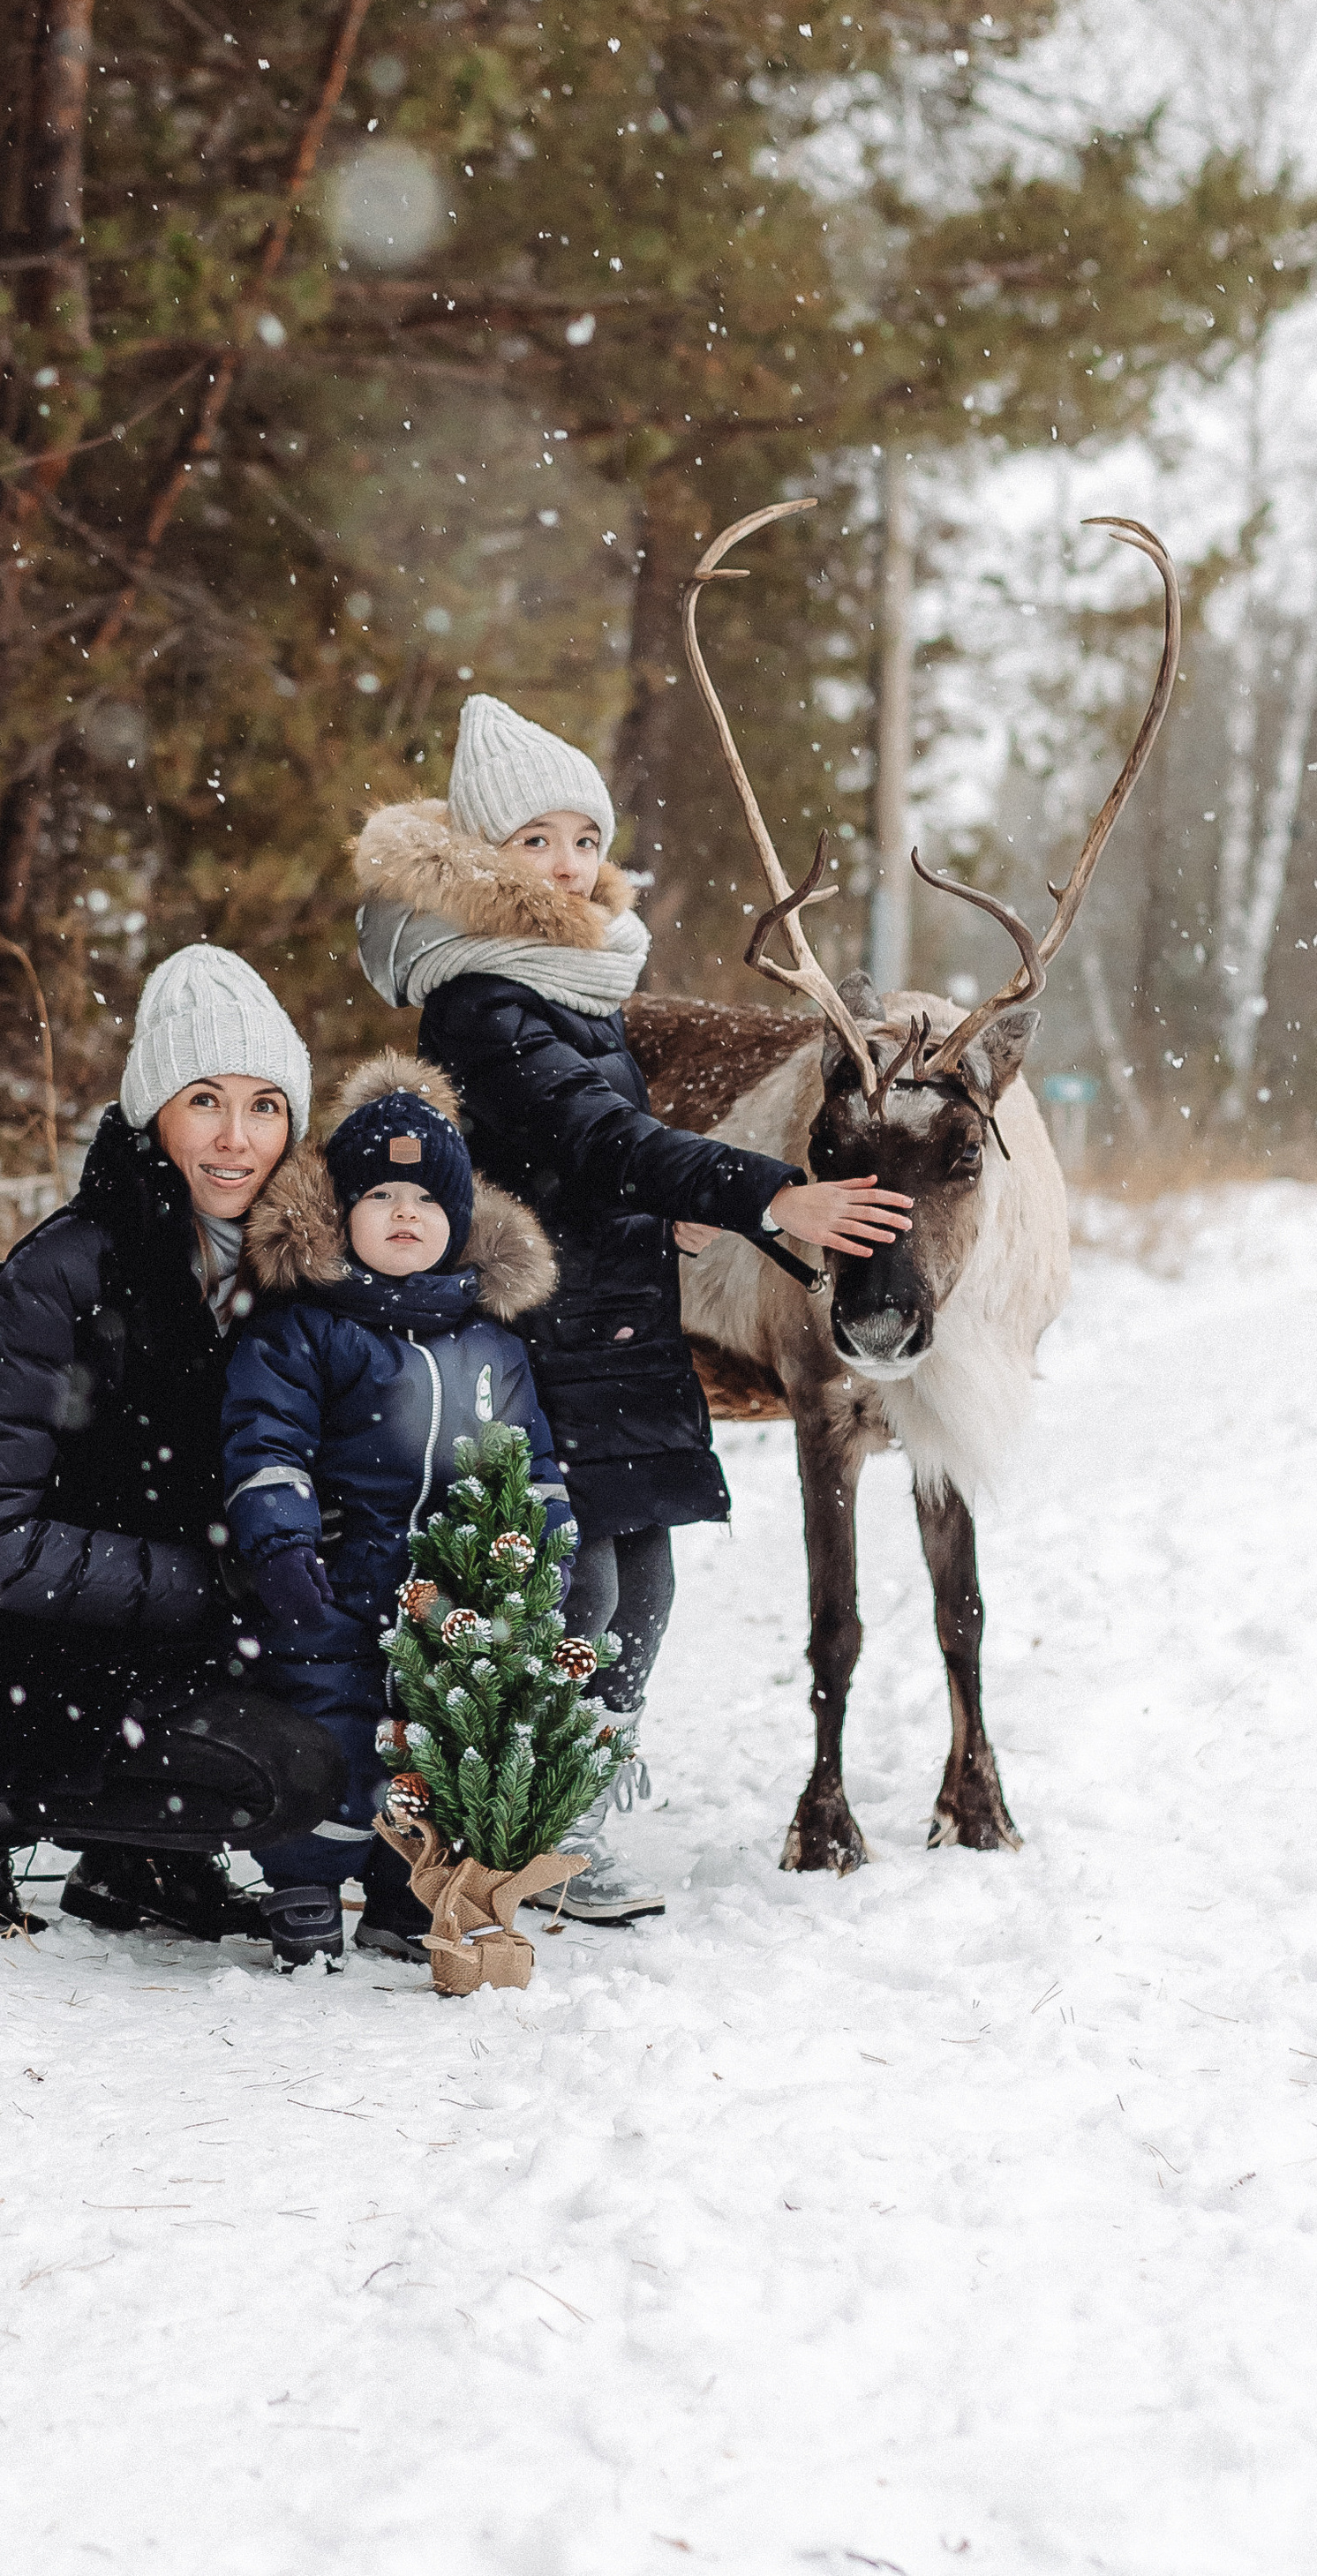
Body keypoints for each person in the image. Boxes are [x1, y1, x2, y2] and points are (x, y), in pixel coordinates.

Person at [351, 692, 911, 1921]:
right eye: (535, 840)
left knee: (641, 1585)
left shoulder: (570, 981)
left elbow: (571, 1158)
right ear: (483, 856)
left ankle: (575, 1803)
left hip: (608, 1313)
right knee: (578, 1591)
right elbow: (595, 1131)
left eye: (584, 839)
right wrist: (771, 1195)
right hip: (538, 1333)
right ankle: (519, 1820)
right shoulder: (482, 994)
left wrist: (661, 1217)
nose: (567, 863)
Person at [0, 943, 345, 1943]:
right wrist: (215, 1580)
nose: (236, 1137)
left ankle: (136, 1865)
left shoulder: (284, 1275)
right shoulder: (61, 1277)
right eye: (204, 1100)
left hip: (129, 1632)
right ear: (152, 1114)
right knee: (286, 1774)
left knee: (328, 1708)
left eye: (264, 1105)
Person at [221, 1053, 573, 1972]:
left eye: (424, 1198)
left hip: (453, 1599)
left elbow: (532, 1461)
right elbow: (266, 1442)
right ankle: (303, 1885)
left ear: (459, 1219)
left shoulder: (492, 1344)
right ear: (341, 1215)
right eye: (378, 1195)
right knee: (334, 1732)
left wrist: (547, 1550)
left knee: (429, 1747)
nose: (403, 1212)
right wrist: (282, 1543)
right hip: (335, 1587)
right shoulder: (305, 1328)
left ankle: (398, 1893)